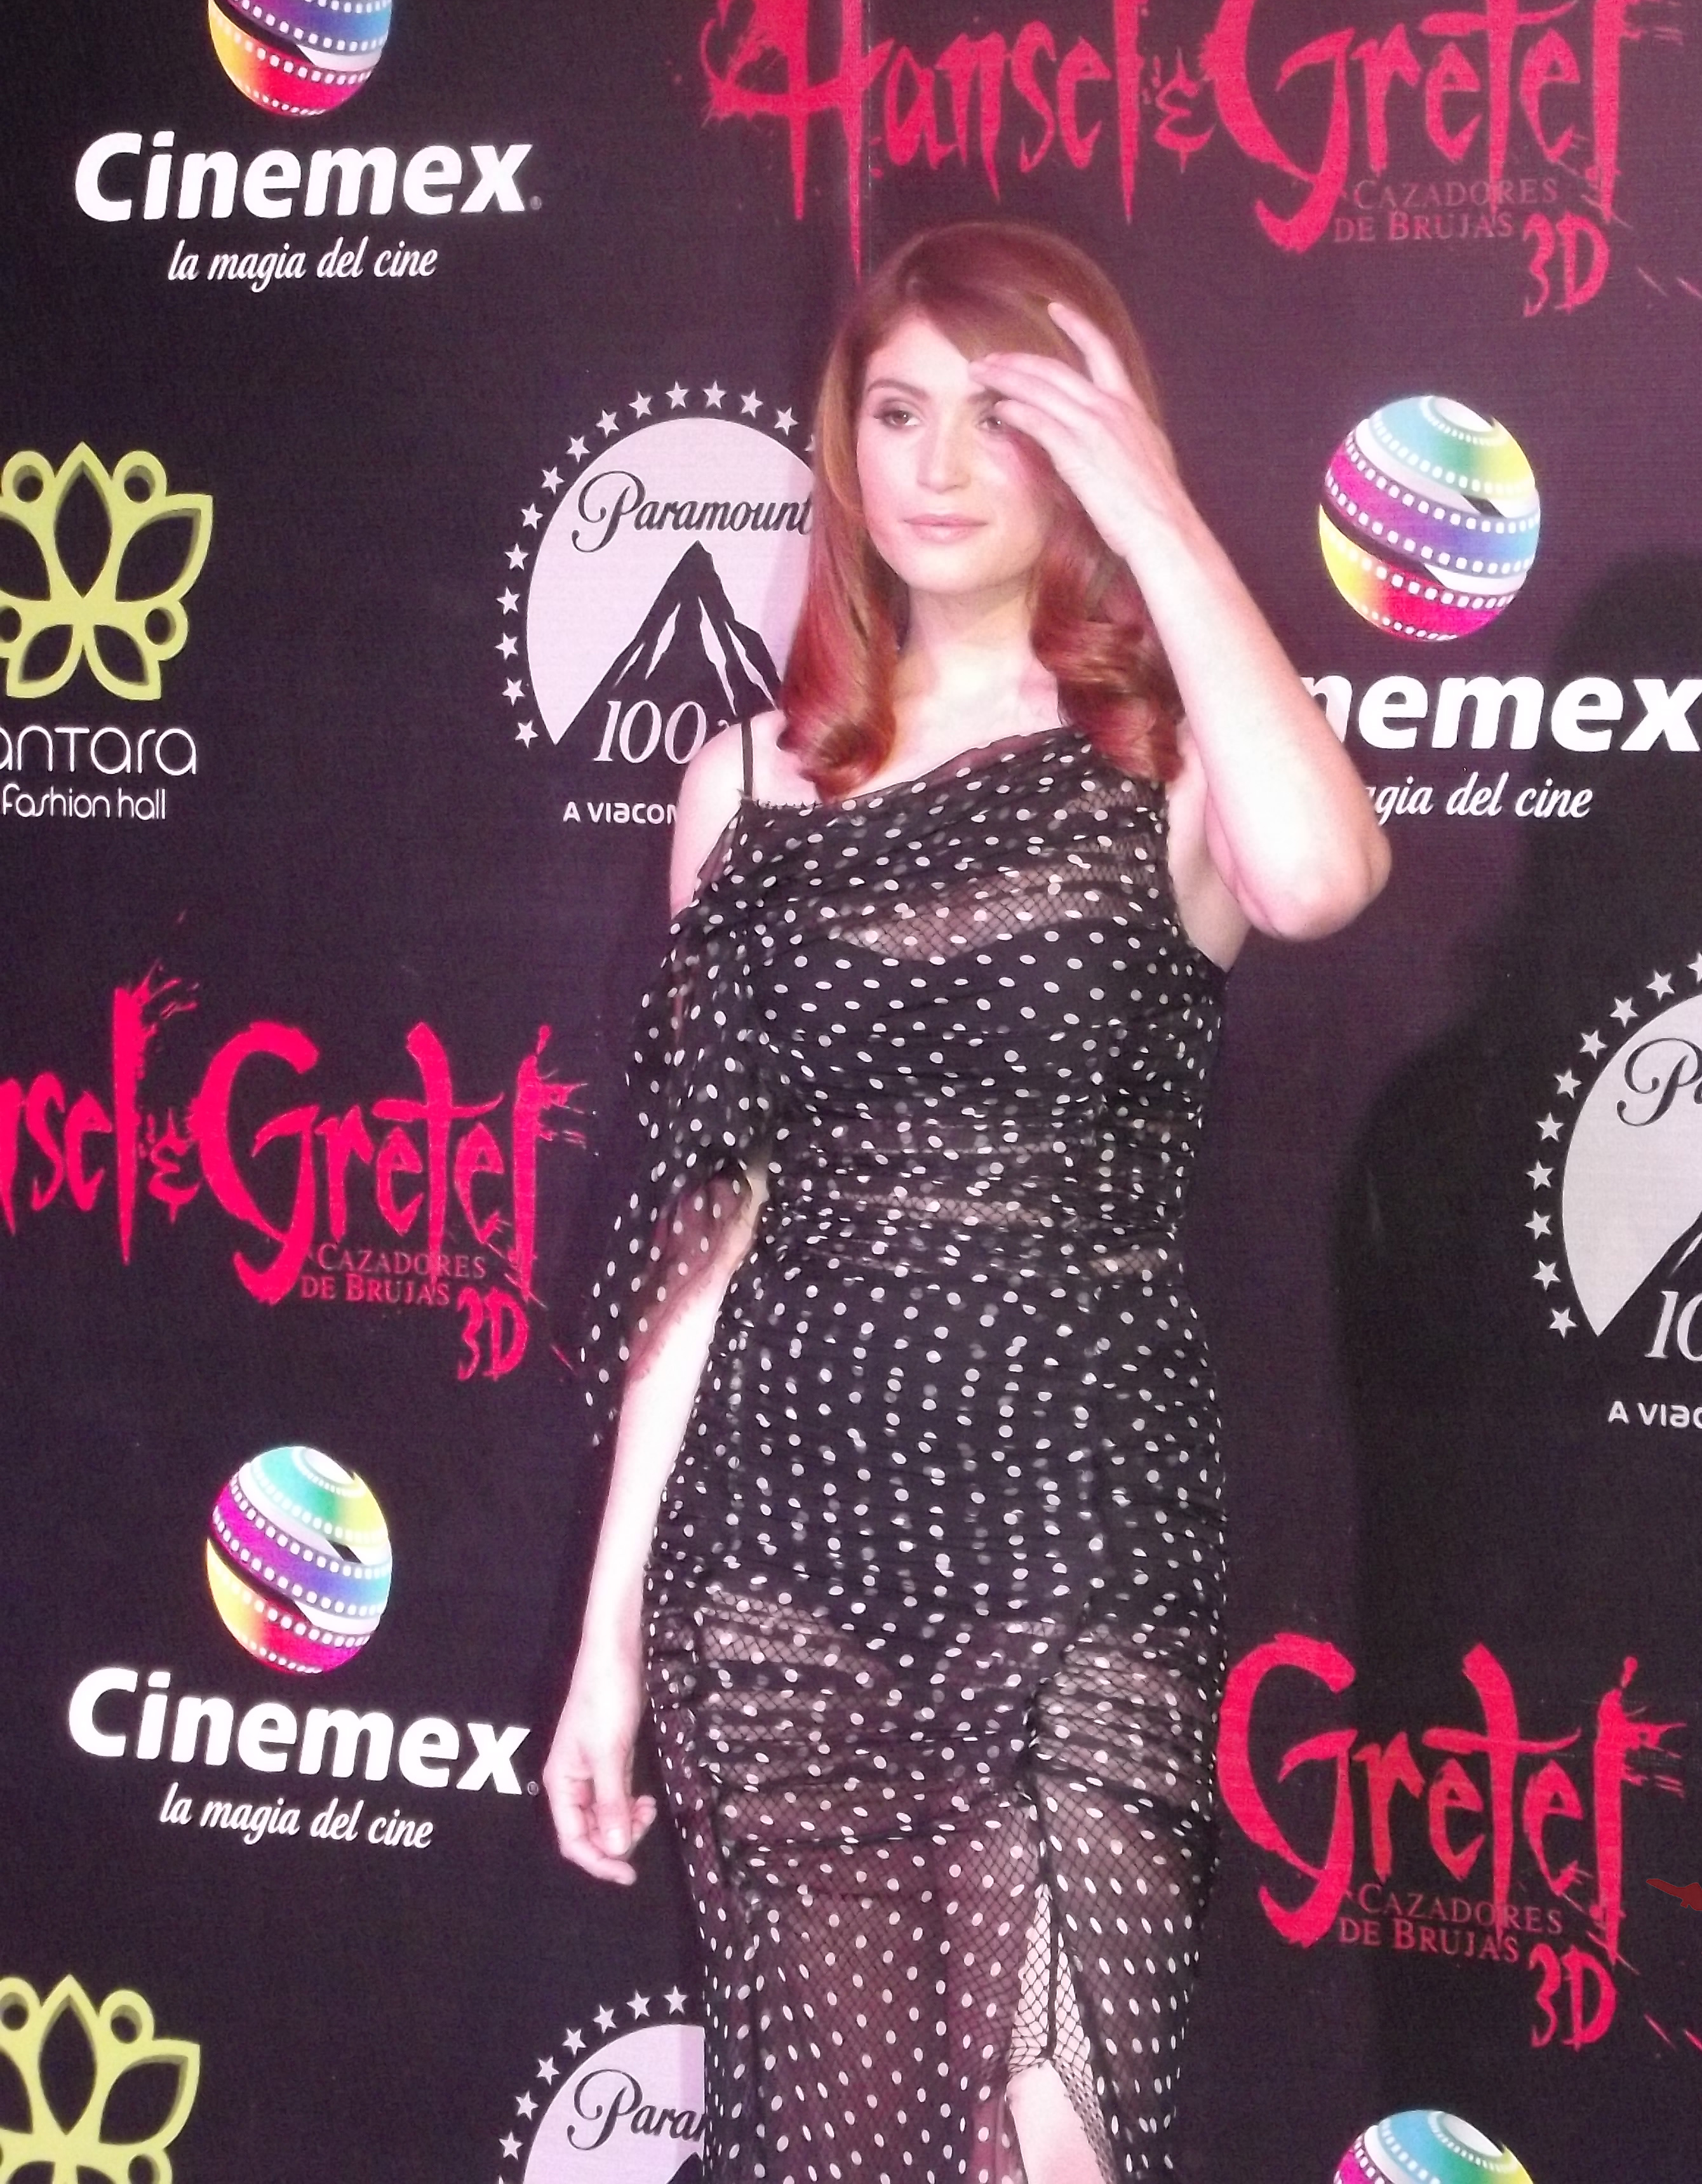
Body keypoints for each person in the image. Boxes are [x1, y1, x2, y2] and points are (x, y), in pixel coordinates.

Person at [544, 221, 1388, 2184]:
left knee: (1056, 2136)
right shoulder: (746, 784)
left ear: (1090, 445)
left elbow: (1322, 879)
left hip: (1076, 1519)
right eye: (896, 413)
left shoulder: (1171, 756)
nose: (933, 467)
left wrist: (1157, 510)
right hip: (772, 1545)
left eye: (999, 418)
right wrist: (609, 1642)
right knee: (835, 2147)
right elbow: (709, 1229)